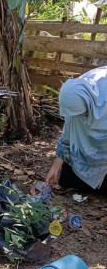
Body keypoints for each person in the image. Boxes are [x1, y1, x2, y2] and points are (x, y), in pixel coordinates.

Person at [45, 66, 107, 196]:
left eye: (81, 114)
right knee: (69, 182)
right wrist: (54, 168)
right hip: (87, 148)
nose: (77, 119)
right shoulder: (75, 93)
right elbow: (67, 135)